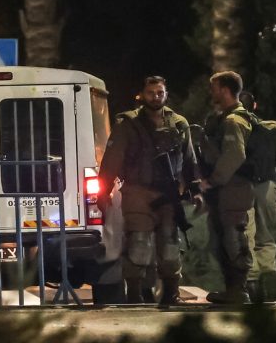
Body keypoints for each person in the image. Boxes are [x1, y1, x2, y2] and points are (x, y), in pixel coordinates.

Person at [97, 76, 200, 305]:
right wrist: (103, 191)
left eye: (160, 92)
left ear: (166, 94)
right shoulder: (128, 124)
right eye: (151, 92)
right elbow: (113, 159)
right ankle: (134, 295)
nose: (155, 97)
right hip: (137, 192)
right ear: (143, 95)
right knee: (138, 244)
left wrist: (195, 188)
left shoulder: (179, 123)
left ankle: (171, 293)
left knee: (170, 245)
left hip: (168, 194)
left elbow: (189, 158)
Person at [199, 71, 254, 304]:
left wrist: (213, 180)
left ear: (224, 90)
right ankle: (233, 289)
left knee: (233, 238)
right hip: (226, 190)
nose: (211, 92)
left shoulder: (233, 121)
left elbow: (235, 155)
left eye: (214, 88)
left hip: (234, 188)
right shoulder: (224, 119)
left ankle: (239, 290)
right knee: (221, 239)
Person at [239, 91, 276, 302]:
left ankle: (252, 285)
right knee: (267, 238)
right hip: (267, 187)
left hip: (241, 187)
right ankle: (269, 284)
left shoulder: (230, 127)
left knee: (246, 236)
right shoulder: (274, 128)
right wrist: (271, 176)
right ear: (255, 105)